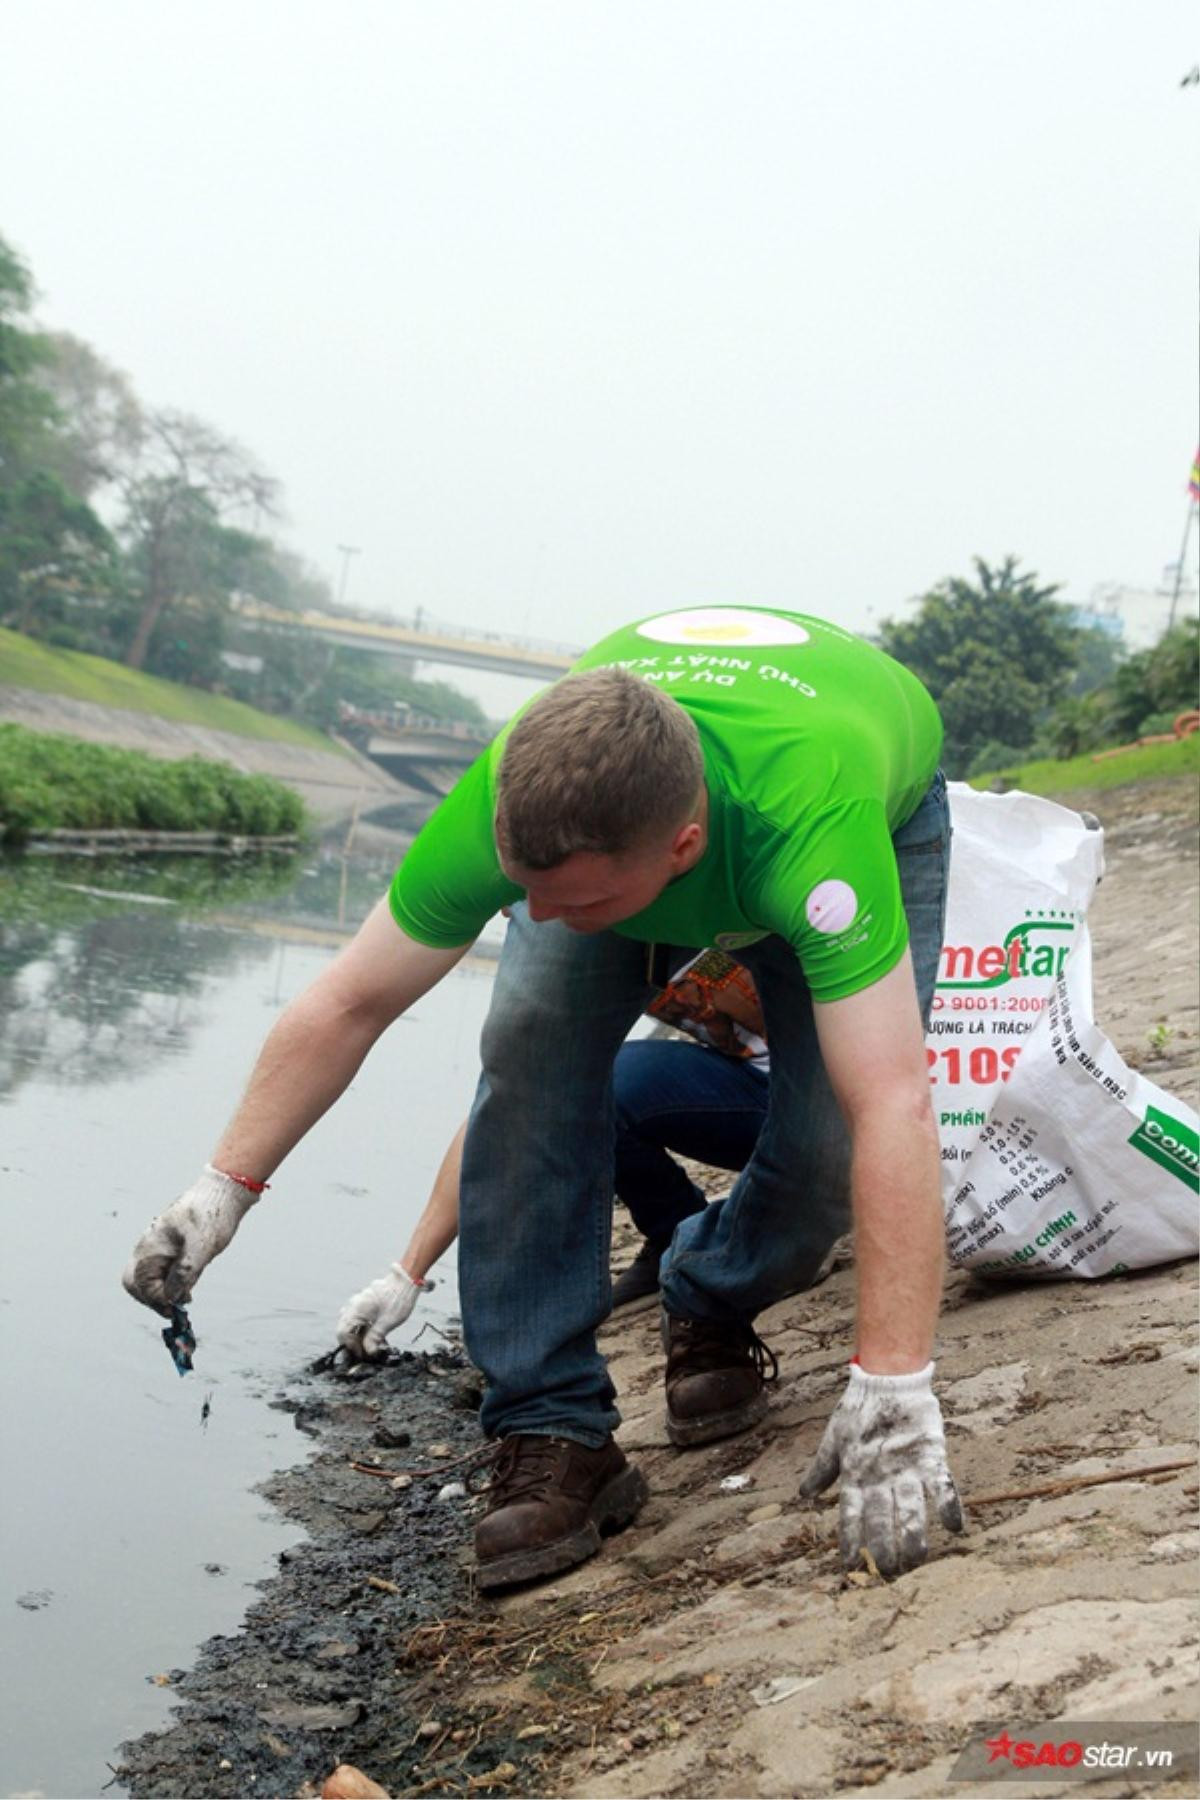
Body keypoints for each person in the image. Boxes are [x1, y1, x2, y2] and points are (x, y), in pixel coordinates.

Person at [123, 604, 963, 1592]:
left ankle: (709, 1289)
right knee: (528, 1051)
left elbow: (893, 1108)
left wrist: (895, 1385)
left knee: (828, 1140)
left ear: (682, 849)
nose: (538, 916)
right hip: (647, 822)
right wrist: (222, 1189)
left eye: (576, 900)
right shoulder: (517, 816)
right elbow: (349, 1001)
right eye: (523, 888)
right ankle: (552, 1429)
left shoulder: (813, 830)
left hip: (850, 807)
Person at [336, 951, 774, 1352]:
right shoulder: (594, 941)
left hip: (824, 1102)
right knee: (590, 1080)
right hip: (752, 1089)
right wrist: (407, 1274)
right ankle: (675, 1233)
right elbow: (510, 1097)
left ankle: (782, 1228)